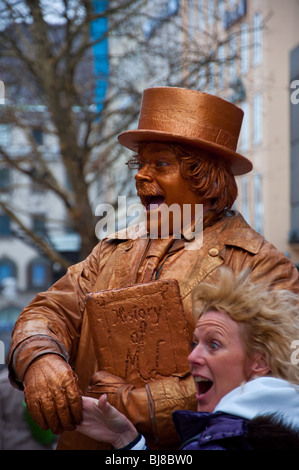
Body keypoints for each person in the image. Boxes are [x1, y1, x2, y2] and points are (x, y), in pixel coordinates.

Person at [7, 87, 299, 450]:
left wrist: (133, 404)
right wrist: (40, 358)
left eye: (160, 164)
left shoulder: (261, 266)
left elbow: (273, 375)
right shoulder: (112, 249)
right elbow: (48, 310)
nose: (141, 176)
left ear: (205, 178)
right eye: (139, 164)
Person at [75, 268, 299, 450]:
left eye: (214, 345)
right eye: (195, 343)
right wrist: (125, 438)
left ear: (259, 362)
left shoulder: (221, 442)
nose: (192, 356)